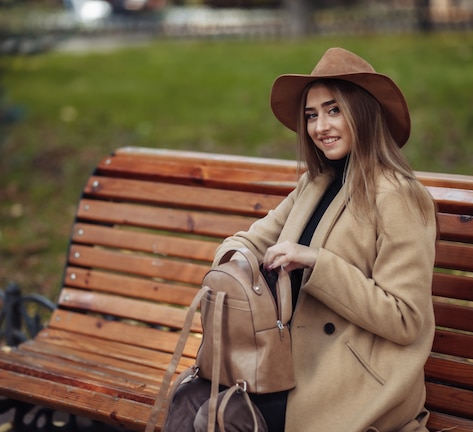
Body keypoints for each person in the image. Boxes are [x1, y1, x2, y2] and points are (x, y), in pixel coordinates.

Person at [163, 47, 437, 432]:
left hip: (353, 385)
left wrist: (316, 263)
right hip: (283, 369)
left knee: (215, 420)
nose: (320, 126)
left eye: (333, 110)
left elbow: (406, 318)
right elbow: (249, 240)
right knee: (194, 407)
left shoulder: (398, 196)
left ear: (363, 112)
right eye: (311, 115)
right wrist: (237, 262)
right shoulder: (315, 183)